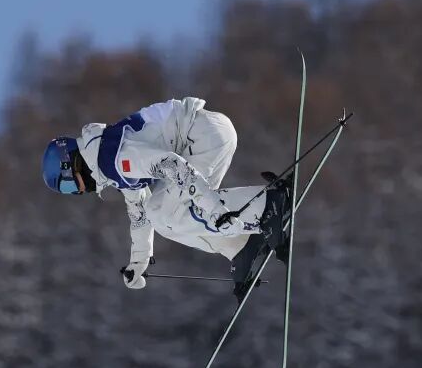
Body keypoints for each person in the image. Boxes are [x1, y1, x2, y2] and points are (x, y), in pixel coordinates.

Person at [41, 98, 294, 300]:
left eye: (68, 185)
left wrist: (215, 209)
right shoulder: (109, 162)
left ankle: (267, 204)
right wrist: (137, 263)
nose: (75, 192)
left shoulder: (114, 160)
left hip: (202, 136)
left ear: (72, 163)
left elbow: (170, 164)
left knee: (166, 213)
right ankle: (242, 247)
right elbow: (138, 214)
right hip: (205, 136)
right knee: (167, 217)